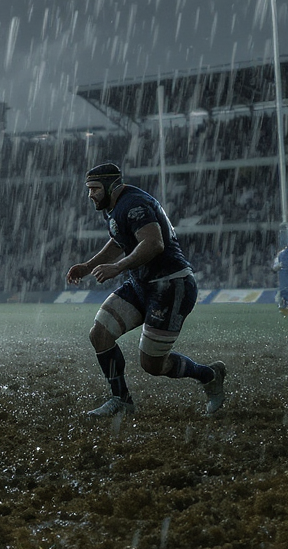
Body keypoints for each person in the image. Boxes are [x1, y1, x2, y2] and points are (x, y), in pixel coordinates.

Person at [66, 163, 226, 417]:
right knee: (100, 334)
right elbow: (120, 239)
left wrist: (117, 267)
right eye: (88, 189)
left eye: (94, 189)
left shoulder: (134, 204)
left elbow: (153, 243)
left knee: (152, 364)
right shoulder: (117, 207)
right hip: (142, 283)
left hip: (171, 286)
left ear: (111, 186)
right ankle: (122, 400)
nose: (90, 195)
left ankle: (209, 375)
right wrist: (87, 266)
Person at [274, 244, 288, 317]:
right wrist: (279, 265)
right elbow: (275, 267)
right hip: (284, 275)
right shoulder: (281, 254)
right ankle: (285, 306)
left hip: (283, 275)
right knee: (284, 291)